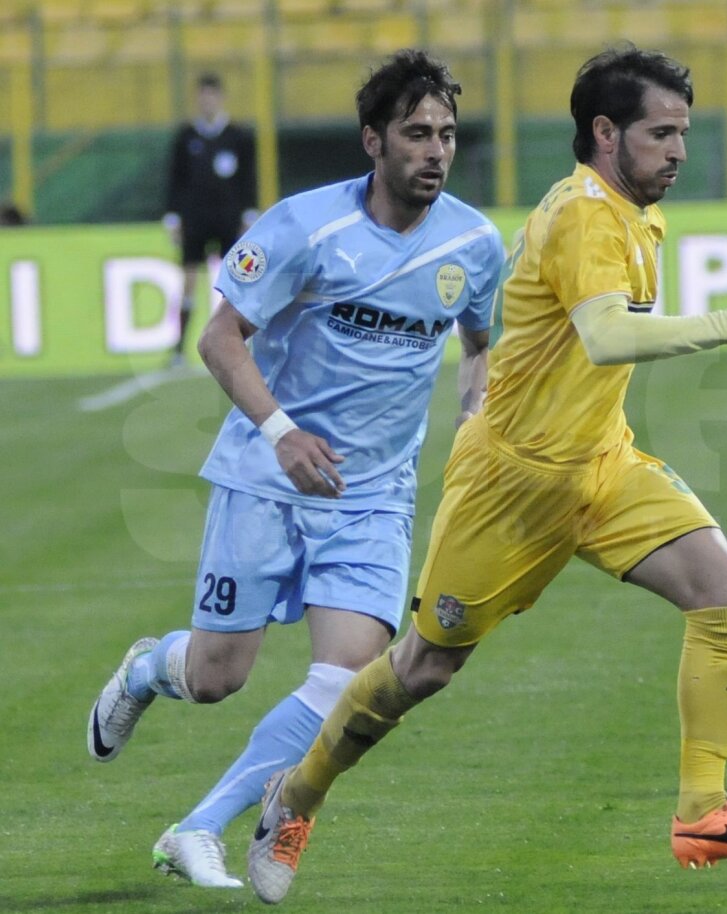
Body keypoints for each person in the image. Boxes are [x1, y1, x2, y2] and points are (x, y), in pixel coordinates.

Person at [246, 44, 727, 905]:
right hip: (511, 489)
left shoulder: (632, 211)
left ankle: (703, 812)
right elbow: (608, 336)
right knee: (422, 669)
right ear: (606, 133)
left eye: (683, 133)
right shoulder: (585, 217)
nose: (678, 151)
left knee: (725, 589)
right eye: (661, 134)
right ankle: (295, 797)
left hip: (601, 464)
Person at [87, 49, 504, 890]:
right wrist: (281, 432)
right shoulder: (304, 227)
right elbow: (219, 339)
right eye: (416, 134)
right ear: (373, 141)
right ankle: (147, 668)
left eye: (447, 134)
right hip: (265, 479)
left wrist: (472, 421)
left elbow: (479, 346)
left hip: (373, 496)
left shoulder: (475, 243)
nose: (435, 151)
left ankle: (198, 827)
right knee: (217, 678)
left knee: (347, 679)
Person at [163, 72, 259, 368]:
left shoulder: (238, 136)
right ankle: (179, 349)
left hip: (228, 217)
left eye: (212, 95)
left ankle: (242, 345)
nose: (207, 101)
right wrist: (172, 216)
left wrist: (249, 212)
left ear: (220, 98)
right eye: (202, 96)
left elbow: (248, 178)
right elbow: (176, 179)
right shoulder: (186, 137)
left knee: (237, 283)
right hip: (195, 218)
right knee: (189, 281)